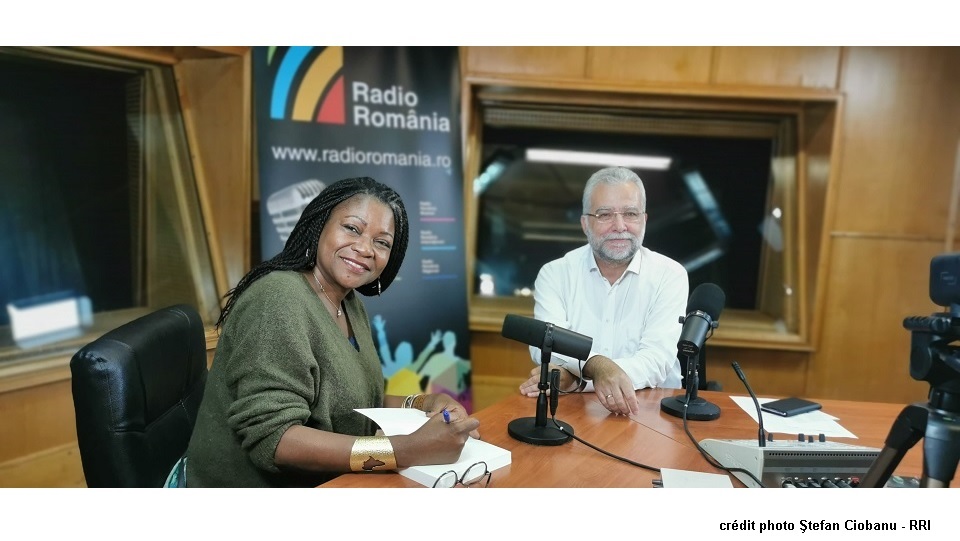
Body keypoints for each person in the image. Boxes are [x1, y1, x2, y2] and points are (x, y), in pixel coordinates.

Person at [184, 177, 479, 487]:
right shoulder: (277, 300)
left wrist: (423, 404)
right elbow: (276, 439)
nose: (365, 248)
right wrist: (405, 450)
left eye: (382, 242)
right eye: (352, 228)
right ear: (320, 224)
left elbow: (358, 401)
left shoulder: (347, 302)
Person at [519, 166, 688, 417]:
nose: (619, 226)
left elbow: (655, 361)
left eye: (630, 213)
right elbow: (545, 345)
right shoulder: (555, 274)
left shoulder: (670, 275)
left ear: (644, 220)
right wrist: (596, 367)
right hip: (573, 412)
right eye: (604, 214)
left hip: (652, 410)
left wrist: (578, 379)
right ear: (585, 223)